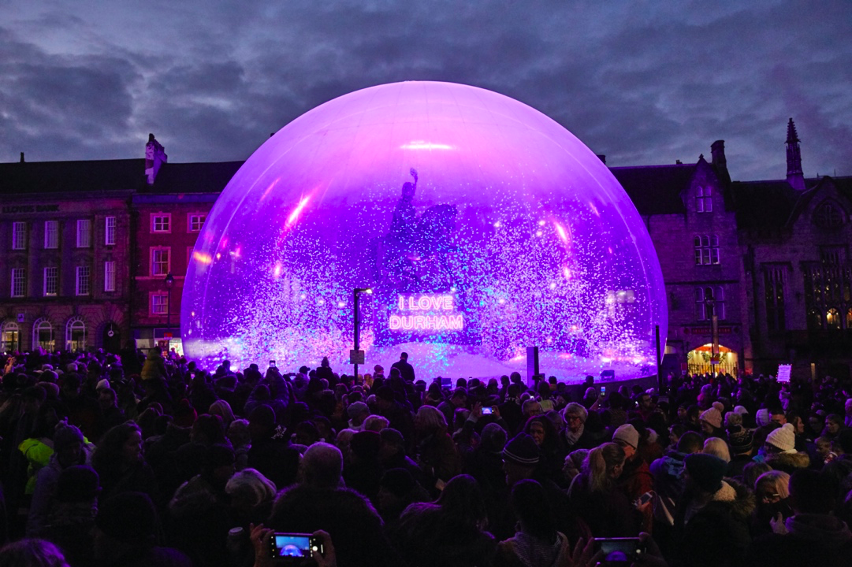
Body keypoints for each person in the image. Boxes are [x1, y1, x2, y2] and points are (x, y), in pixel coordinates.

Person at [267, 443, 401, 567]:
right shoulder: (360, 513)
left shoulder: (286, 509)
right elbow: (385, 558)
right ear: (339, 474)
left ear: (305, 473)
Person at [746, 469, 852, 567]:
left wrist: (778, 538)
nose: (764, 500)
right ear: (832, 503)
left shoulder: (769, 546)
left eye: (771, 495)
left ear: (791, 500)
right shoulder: (845, 541)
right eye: (759, 495)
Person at [672, 453, 755, 567]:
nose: (681, 474)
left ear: (700, 478)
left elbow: (741, 553)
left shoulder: (728, 514)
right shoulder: (686, 498)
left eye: (686, 472)